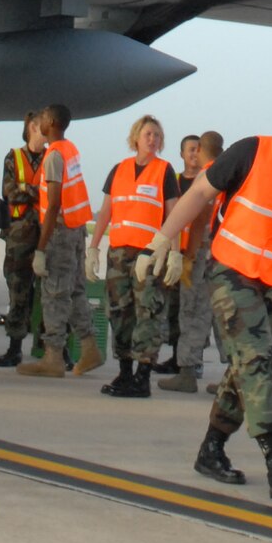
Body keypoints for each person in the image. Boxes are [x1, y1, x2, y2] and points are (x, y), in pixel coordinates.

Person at [145, 91, 272, 498]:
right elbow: (198, 193)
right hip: (232, 273)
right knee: (258, 362)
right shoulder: (250, 152)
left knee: (244, 369)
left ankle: (211, 450)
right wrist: (164, 237)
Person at [87, 113, 177, 398]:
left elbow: (174, 215)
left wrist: (174, 253)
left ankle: (143, 376)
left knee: (147, 312)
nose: (153, 139)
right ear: (136, 137)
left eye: (157, 135)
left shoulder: (165, 171)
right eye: (148, 134)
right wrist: (94, 247)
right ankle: (125, 372)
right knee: (119, 311)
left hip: (149, 255)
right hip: (119, 254)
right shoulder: (119, 170)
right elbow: (106, 212)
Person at [19, 103, 100, 379]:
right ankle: (89, 347)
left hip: (60, 232)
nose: (38, 123)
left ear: (50, 121)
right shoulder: (70, 149)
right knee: (75, 291)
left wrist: (41, 248)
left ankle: (53, 356)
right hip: (76, 230)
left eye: (41, 118)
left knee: (53, 294)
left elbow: (53, 204)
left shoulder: (54, 155)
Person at [158, 128, 225, 394]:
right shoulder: (232, 171)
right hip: (225, 254)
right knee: (224, 316)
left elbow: (200, 216)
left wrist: (190, 255)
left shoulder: (207, 175)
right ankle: (235, 374)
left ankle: (187, 371)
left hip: (204, 254)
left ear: (203, 151)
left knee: (192, 310)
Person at [0, 112, 44, 368]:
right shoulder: (13, 157)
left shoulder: (53, 156)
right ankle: (14, 347)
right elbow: (10, 192)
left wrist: (28, 191)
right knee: (18, 291)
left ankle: (51, 348)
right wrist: (40, 193)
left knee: (49, 294)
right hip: (18, 236)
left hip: (46, 235)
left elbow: (58, 193)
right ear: (32, 127)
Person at [158, 134, 204, 373]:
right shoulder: (173, 181)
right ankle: (177, 357)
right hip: (175, 252)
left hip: (197, 256)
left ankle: (192, 362)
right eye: (190, 149)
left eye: (198, 149)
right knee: (174, 308)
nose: (194, 154)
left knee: (193, 308)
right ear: (182, 154)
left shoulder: (207, 182)